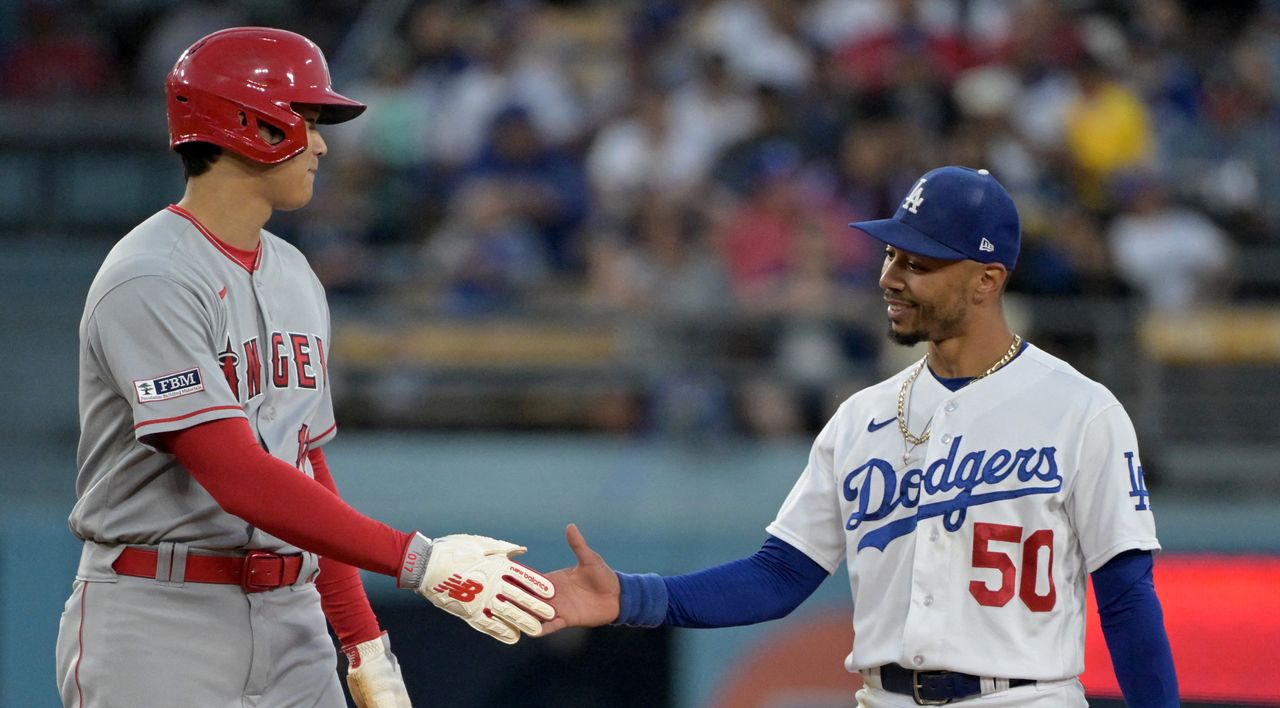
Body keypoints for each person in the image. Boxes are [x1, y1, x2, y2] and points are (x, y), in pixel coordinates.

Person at [539, 166, 1179, 706]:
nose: (890, 278)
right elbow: (778, 576)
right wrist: (633, 595)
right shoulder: (859, 418)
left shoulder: (1080, 410)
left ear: (987, 280)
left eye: (919, 263)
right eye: (890, 254)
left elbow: (1125, 600)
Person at [54, 27, 555, 708]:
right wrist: (422, 561)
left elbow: (306, 471)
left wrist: (364, 640)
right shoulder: (150, 275)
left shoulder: (294, 274)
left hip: (292, 617)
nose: (321, 143)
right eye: (308, 120)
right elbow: (235, 473)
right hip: (160, 614)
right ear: (249, 125)